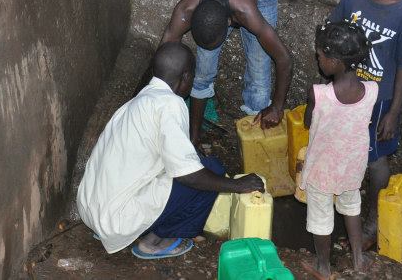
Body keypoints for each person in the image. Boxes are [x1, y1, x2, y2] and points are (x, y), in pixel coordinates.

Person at [77, 42, 264, 260]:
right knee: (212, 169)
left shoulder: (139, 100)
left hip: (91, 209)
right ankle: (155, 241)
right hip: (116, 219)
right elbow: (188, 175)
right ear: (185, 77)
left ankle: (115, 230)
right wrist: (237, 185)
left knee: (195, 169)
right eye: (192, 78)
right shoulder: (170, 104)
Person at [328, 0, 402, 248]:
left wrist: (394, 111)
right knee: (345, 148)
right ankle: (340, 206)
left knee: (375, 160)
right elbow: (333, 32)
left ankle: (371, 223)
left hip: (378, 100)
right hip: (348, 92)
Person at [160, 0, 292, 145]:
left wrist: (277, 107)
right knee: (203, 71)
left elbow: (284, 59)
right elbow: (163, 57)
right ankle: (194, 137)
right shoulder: (186, 10)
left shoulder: (246, 12)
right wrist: (149, 99)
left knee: (259, 74)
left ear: (230, 23)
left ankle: (254, 142)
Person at [301, 21, 377, 279]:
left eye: (320, 55)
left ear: (334, 61)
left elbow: (307, 122)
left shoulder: (318, 94)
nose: (318, 58)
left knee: (321, 216)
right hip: (353, 165)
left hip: (323, 168)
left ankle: (323, 267)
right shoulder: (372, 90)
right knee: (351, 205)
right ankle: (358, 259)